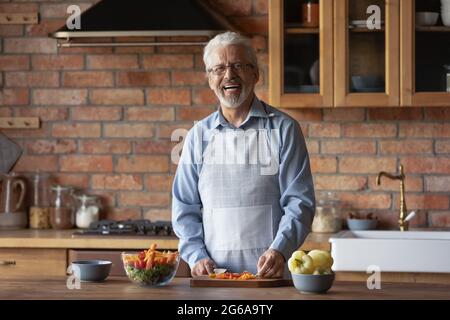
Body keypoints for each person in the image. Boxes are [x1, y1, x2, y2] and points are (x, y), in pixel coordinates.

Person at [172, 31, 315, 278]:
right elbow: (185, 206)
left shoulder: (284, 129)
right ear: (209, 79)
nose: (229, 75)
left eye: (238, 65)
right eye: (218, 69)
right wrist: (196, 256)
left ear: (255, 74)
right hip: (214, 279)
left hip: (271, 279)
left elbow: (299, 203)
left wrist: (279, 251)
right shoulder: (198, 135)